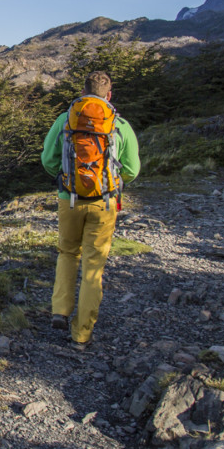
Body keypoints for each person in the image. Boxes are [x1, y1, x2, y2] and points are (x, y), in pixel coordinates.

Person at [41, 71, 140, 349]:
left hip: (69, 198)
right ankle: (81, 334)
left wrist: (64, 180)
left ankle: (60, 310)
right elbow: (132, 169)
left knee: (68, 253)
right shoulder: (119, 124)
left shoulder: (65, 120)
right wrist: (112, 183)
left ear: (83, 92)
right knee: (93, 266)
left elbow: (48, 159)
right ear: (109, 95)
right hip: (105, 202)